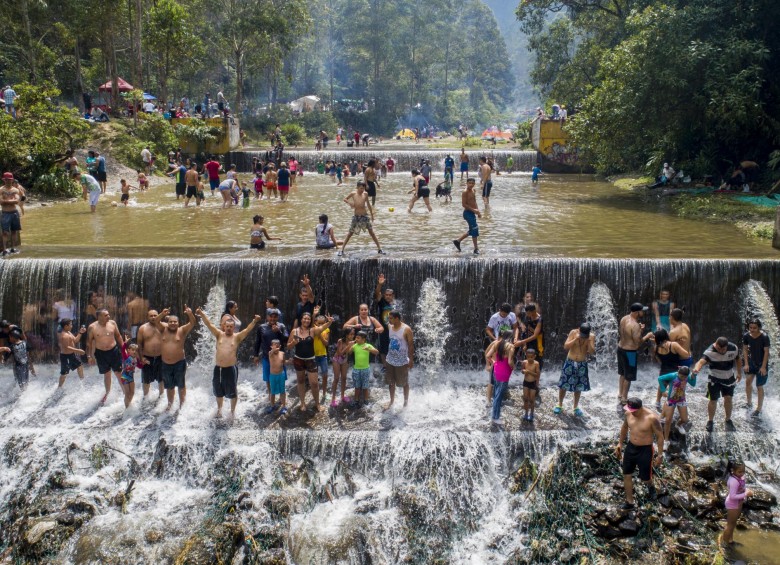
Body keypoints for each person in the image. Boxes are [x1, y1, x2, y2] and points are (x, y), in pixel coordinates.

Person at [197, 307, 261, 418]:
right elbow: (209, 324)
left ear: (234, 328)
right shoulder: (218, 334)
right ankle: (219, 410)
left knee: (232, 392)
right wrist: (202, 314)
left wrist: (254, 321)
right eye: (227, 326)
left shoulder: (237, 337)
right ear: (224, 327)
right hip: (218, 368)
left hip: (230, 368)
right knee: (218, 390)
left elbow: (247, 330)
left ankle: (232, 411)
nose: (229, 328)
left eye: (231, 327)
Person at [615, 398, 664, 509]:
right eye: (630, 410)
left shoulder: (651, 418)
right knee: (626, 474)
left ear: (640, 408)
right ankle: (630, 502)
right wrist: (620, 444)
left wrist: (660, 455)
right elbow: (624, 428)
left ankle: (650, 486)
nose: (632, 412)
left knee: (645, 478)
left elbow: (660, 436)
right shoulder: (628, 413)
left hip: (645, 450)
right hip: (631, 447)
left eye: (634, 411)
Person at [692, 336, 742, 432]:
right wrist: (696, 369)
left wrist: (739, 373)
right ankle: (710, 421)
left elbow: (738, 359)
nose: (721, 351)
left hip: (729, 378)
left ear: (727, 346)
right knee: (713, 400)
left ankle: (728, 419)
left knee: (728, 398)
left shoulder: (733, 348)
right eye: (719, 348)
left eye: (723, 349)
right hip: (714, 379)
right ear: (715, 344)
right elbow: (701, 361)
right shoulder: (710, 351)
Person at [288, 311, 334, 412]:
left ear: (310, 321)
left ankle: (317, 404)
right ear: (301, 320)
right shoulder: (294, 331)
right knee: (300, 381)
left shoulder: (313, 330)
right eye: (304, 318)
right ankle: (302, 403)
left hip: (311, 359)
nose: (306, 320)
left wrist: (329, 322)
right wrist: (293, 343)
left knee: (314, 383)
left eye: (308, 319)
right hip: (298, 359)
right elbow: (288, 346)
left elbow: (322, 328)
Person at [154, 306, 197, 411]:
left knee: (181, 385)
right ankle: (170, 404)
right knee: (169, 386)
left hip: (179, 363)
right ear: (168, 322)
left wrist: (190, 314)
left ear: (178, 323)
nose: (173, 323)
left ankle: (182, 405)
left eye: (175, 322)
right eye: (171, 322)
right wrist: (162, 314)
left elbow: (192, 323)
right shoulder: (163, 329)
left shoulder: (182, 330)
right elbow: (155, 321)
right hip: (165, 363)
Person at [555, 323, 596, 416]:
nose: (583, 337)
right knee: (563, 384)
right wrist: (575, 339)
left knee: (579, 386)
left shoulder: (591, 337)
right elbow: (566, 346)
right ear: (578, 329)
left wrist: (589, 342)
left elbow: (592, 352)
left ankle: (575, 407)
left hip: (582, 364)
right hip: (570, 362)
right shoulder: (573, 332)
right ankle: (559, 404)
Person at [86, 309, 124, 404]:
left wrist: (124, 350)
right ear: (99, 317)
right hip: (101, 353)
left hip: (114, 351)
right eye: (106, 315)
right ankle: (108, 393)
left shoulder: (112, 323)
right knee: (107, 374)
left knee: (119, 373)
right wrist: (89, 356)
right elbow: (89, 343)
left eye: (108, 314)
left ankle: (125, 392)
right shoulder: (92, 327)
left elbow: (118, 336)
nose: (109, 316)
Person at [618, 303, 652, 405]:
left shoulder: (624, 319)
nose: (643, 312)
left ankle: (620, 394)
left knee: (622, 373)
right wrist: (646, 335)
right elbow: (638, 343)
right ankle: (624, 398)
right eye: (642, 311)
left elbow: (627, 335)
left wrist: (639, 330)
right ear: (637, 312)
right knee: (629, 376)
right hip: (630, 353)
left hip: (620, 348)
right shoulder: (635, 325)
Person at [338, 181, 384, 256]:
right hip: (356, 217)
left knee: (372, 233)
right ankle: (342, 250)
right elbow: (345, 199)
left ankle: (379, 249)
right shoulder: (353, 193)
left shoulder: (365, 194)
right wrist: (350, 203)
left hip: (365, 216)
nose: (362, 190)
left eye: (363, 188)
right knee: (350, 233)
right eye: (361, 188)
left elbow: (368, 204)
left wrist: (372, 215)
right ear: (357, 187)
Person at [648, 328, 689, 411]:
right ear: (665, 335)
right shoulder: (673, 345)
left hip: (663, 370)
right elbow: (686, 355)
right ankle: (673, 407)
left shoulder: (656, 348)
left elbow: (658, 360)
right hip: (675, 372)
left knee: (662, 385)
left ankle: (658, 402)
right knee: (675, 389)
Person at [383, 310, 414, 409]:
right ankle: (391, 401)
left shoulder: (406, 329)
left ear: (397, 318)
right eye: (389, 318)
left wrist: (411, 360)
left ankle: (405, 402)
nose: (389, 320)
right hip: (390, 360)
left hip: (401, 361)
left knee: (404, 383)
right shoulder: (389, 326)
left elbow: (411, 346)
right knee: (391, 382)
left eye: (391, 318)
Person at [657, 366, 696, 440]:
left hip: (681, 399)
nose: (683, 378)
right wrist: (663, 390)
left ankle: (678, 424)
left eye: (685, 377)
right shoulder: (673, 376)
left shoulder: (687, 377)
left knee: (685, 419)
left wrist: (694, 376)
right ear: (678, 373)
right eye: (681, 376)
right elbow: (660, 378)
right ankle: (666, 440)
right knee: (668, 420)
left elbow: (693, 384)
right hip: (671, 400)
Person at [485, 330, 515, 425]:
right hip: (504, 373)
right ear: (510, 337)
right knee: (499, 396)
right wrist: (513, 367)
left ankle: (494, 413)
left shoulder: (497, 344)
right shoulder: (510, 347)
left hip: (496, 371)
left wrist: (494, 362)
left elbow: (487, 355)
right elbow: (510, 362)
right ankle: (495, 417)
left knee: (496, 393)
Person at [721, 459, 752, 546]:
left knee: (733, 523)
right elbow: (732, 496)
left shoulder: (740, 478)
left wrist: (746, 490)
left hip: (738, 502)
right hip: (732, 503)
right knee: (730, 525)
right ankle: (725, 545)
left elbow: (741, 488)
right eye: (739, 472)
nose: (742, 473)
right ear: (733, 471)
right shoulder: (733, 481)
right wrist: (746, 494)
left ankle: (730, 540)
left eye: (743, 471)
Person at [742, 318, 770, 418]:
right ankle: (749, 403)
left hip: (762, 363)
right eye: (750, 327)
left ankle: (759, 408)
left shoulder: (764, 337)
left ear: (759, 328)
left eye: (754, 328)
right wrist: (746, 364)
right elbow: (745, 349)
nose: (752, 330)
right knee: (748, 381)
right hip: (751, 362)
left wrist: (763, 367)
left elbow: (766, 352)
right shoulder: (746, 336)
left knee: (759, 386)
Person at [137, 309, 164, 398]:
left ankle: (161, 397)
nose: (153, 317)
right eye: (151, 316)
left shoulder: (163, 326)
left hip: (161, 357)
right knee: (146, 380)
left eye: (155, 315)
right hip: (147, 358)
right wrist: (141, 358)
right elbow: (139, 344)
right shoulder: (142, 328)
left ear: (158, 315)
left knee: (161, 379)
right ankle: (146, 398)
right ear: (147, 317)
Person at [350, 330, 379, 408]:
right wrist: (350, 345)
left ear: (363, 339)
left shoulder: (368, 345)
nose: (356, 339)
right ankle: (356, 400)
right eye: (356, 337)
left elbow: (376, 352)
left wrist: (369, 349)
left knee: (365, 387)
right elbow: (348, 353)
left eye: (358, 338)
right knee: (357, 386)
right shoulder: (355, 346)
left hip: (365, 369)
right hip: (356, 369)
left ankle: (366, 400)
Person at [453, 178, 481, 254]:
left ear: (474, 184)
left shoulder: (473, 190)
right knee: (475, 229)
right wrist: (474, 210)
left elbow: (474, 201)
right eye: (469, 183)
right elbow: (464, 204)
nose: (471, 185)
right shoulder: (465, 192)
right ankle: (476, 249)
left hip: (473, 212)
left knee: (473, 229)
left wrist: (478, 211)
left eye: (472, 183)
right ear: (467, 183)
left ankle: (457, 241)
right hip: (467, 213)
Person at [330, 327, 354, 408]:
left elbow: (349, 353)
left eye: (353, 334)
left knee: (344, 378)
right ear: (347, 335)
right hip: (336, 360)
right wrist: (348, 346)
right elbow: (340, 353)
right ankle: (333, 399)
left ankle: (342, 396)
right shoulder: (340, 341)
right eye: (351, 334)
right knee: (336, 378)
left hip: (345, 360)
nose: (352, 336)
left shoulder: (351, 342)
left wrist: (352, 347)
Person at [58, 319, 86, 387]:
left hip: (71, 355)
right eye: (70, 324)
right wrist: (78, 351)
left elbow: (76, 340)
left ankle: (82, 382)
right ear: (66, 326)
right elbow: (66, 347)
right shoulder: (64, 335)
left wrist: (80, 332)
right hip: (65, 356)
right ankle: (59, 387)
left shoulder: (69, 332)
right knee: (64, 373)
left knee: (80, 365)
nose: (72, 326)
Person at [313, 312, 332, 404]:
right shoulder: (313, 329)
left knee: (325, 375)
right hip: (313, 356)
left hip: (323, 355)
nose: (320, 325)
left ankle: (324, 393)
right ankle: (315, 393)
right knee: (314, 376)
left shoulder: (326, 330)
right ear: (315, 322)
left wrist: (320, 334)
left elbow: (326, 343)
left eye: (322, 323)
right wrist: (314, 314)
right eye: (318, 323)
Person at [1, 172, 22, 254]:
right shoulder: (1, 190)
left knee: (14, 231)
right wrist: (11, 201)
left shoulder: (15, 190)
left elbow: (17, 201)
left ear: (12, 180)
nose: (8, 181)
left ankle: (13, 248)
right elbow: (1, 202)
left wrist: (6, 201)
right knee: (5, 232)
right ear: (4, 180)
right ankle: (5, 249)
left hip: (14, 213)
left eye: (9, 180)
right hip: (5, 213)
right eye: (6, 180)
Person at [267, 339, 288, 414]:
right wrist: (273, 350)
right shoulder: (270, 353)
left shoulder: (282, 353)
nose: (276, 348)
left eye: (277, 346)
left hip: (281, 375)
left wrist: (290, 361)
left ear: (280, 346)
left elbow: (284, 363)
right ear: (271, 347)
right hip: (273, 376)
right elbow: (271, 352)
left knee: (282, 391)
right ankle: (272, 406)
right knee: (272, 392)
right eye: (274, 346)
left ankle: (284, 406)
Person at [119, 340, 141, 408]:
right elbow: (123, 349)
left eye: (136, 350)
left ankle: (129, 404)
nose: (134, 352)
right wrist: (125, 342)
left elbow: (140, 366)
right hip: (124, 376)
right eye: (133, 350)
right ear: (128, 350)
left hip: (131, 377)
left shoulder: (136, 359)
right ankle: (126, 407)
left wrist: (144, 362)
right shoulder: (126, 357)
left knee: (132, 393)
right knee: (127, 393)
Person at [521, 348, 540, 421]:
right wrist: (523, 371)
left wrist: (528, 372)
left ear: (534, 356)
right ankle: (526, 413)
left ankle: (531, 413)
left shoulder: (536, 364)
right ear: (526, 356)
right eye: (528, 357)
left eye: (531, 357)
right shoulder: (525, 362)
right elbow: (522, 371)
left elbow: (537, 375)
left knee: (532, 400)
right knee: (525, 399)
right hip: (526, 382)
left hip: (533, 383)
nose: (530, 358)